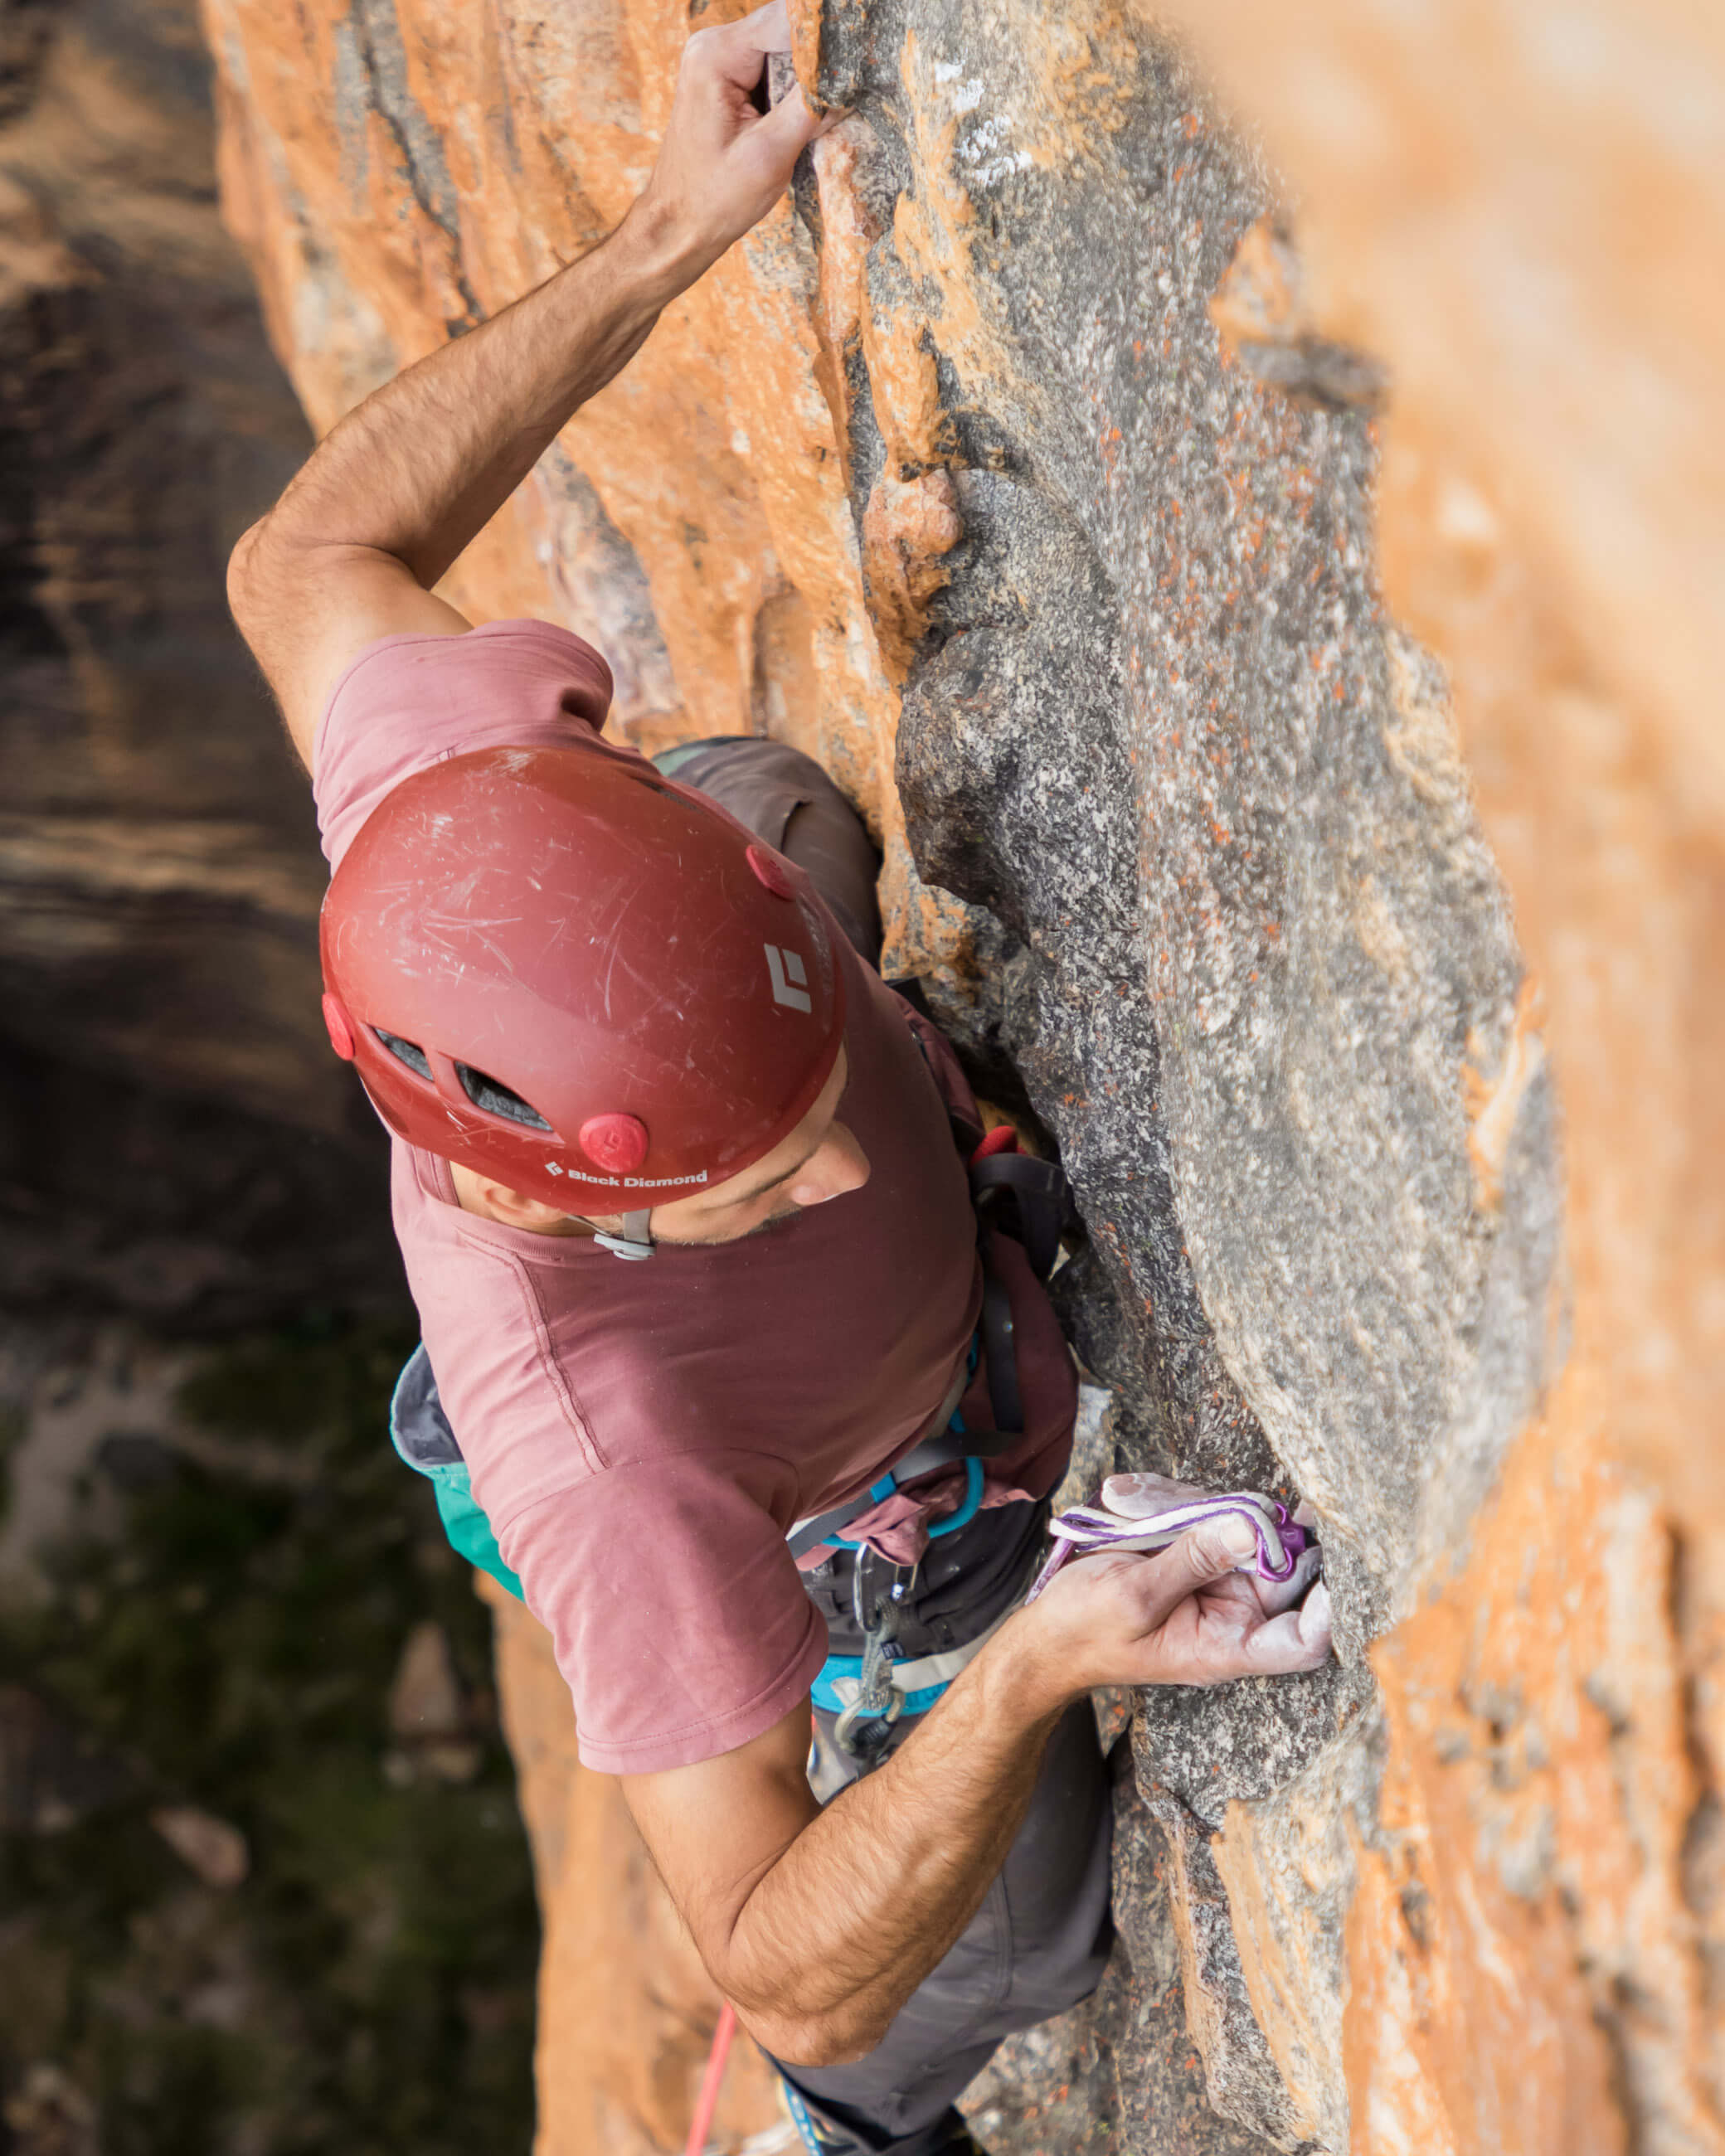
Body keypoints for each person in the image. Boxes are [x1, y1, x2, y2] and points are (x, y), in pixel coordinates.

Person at [226, 7, 1333, 2150]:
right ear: (560, 1206)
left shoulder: (465, 800)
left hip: (665, 955)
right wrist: (1034, 1661)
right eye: (764, 1172)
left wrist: (666, 230)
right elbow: (757, 1942)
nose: (846, 1169)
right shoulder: (623, 1481)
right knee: (996, 1947)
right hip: (855, 1505)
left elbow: (301, 561)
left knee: (772, 788)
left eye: (832, 1095)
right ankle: (840, 2140)